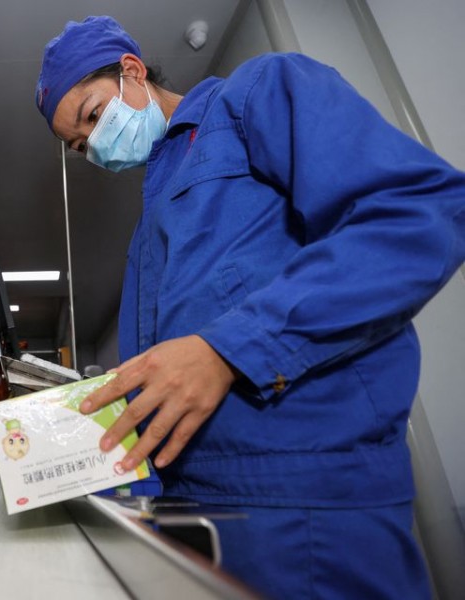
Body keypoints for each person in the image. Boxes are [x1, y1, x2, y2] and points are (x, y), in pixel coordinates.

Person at [35, 15, 465, 599]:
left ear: (132, 72)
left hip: (302, 503)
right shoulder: (151, 225)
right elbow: (175, 372)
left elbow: (417, 211)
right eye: (81, 146)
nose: (95, 146)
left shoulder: (255, 96)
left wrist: (228, 350)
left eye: (91, 115)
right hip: (196, 508)